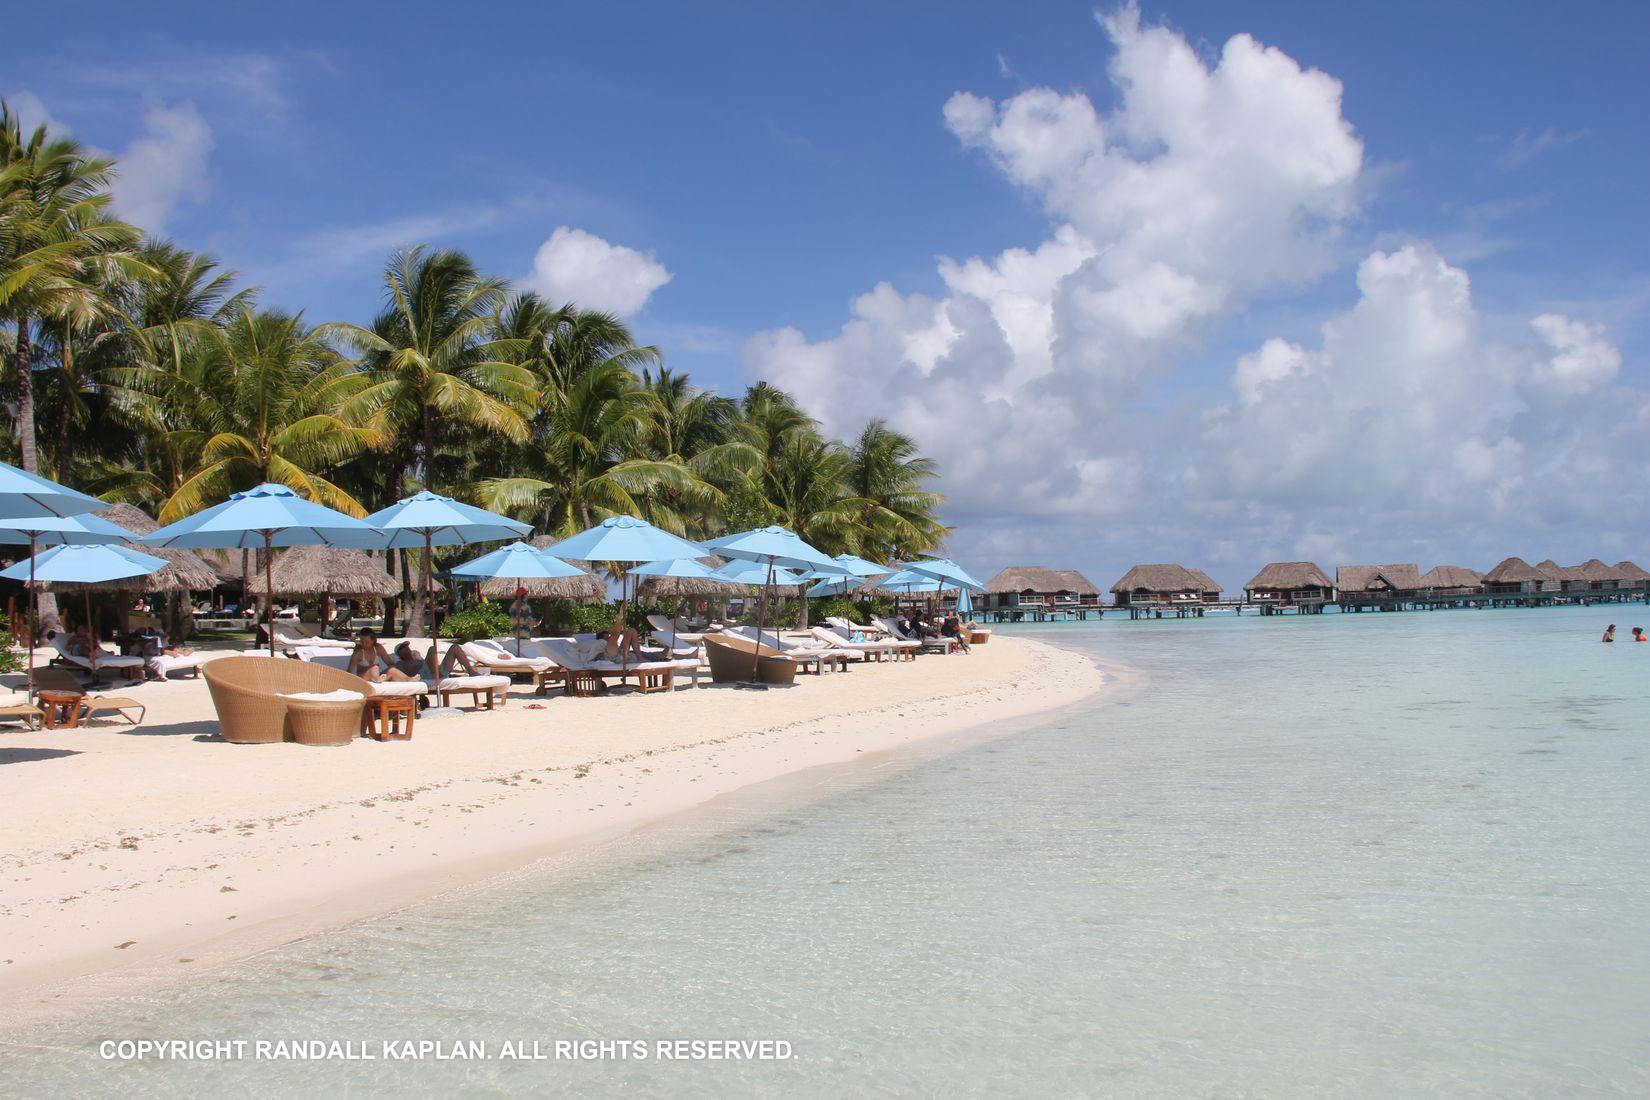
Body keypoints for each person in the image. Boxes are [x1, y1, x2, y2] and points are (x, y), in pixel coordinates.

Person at [348, 630, 420, 683]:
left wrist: (397, 668)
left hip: (378, 675)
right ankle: (376, 679)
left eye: (366, 642)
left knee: (392, 670)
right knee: (374, 667)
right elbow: (349, 672)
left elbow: (389, 663)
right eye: (361, 641)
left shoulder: (378, 648)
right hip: (363, 677)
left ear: (373, 641)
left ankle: (408, 679)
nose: (363, 644)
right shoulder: (358, 653)